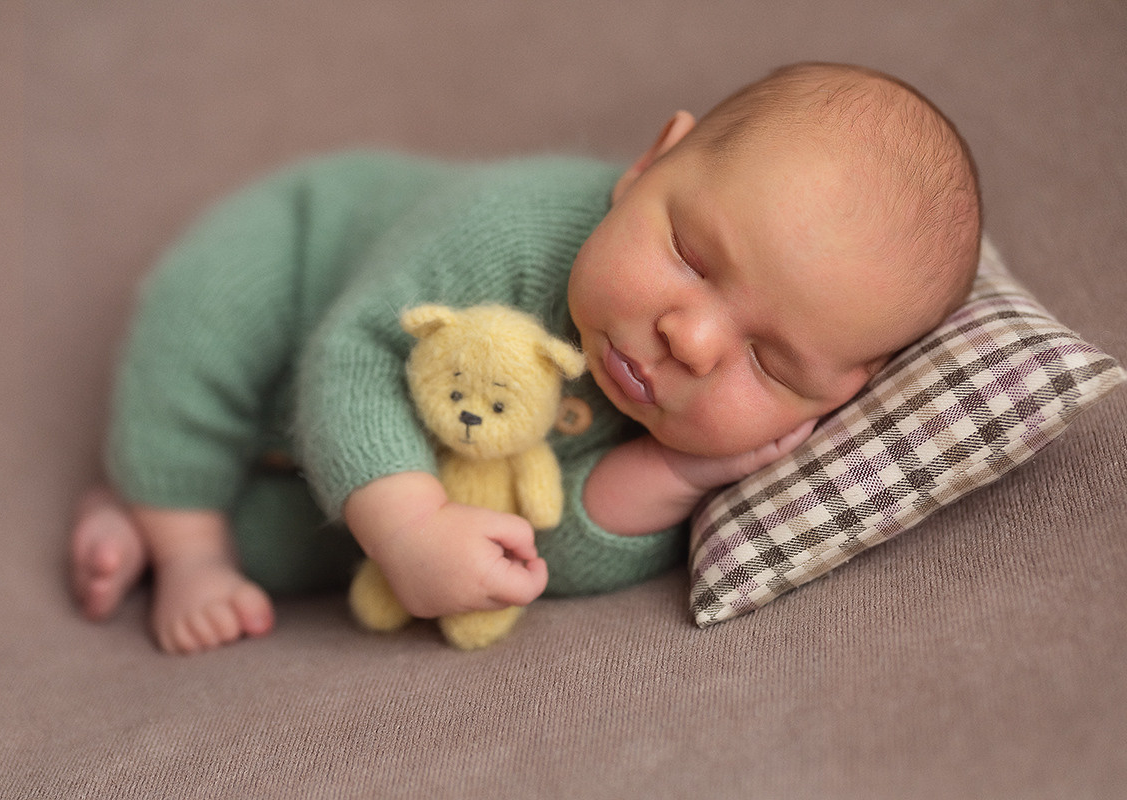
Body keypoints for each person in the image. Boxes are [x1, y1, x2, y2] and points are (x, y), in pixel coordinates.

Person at [70, 62, 982, 654]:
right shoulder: (515, 230)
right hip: (302, 277)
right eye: (694, 259)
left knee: (341, 548)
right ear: (647, 167)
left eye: (771, 365)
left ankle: (147, 526)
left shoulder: (696, 439)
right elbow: (352, 357)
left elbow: (546, 553)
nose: (692, 340)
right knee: (207, 329)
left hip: (366, 466)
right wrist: (414, 525)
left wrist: (668, 473)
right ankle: (179, 530)